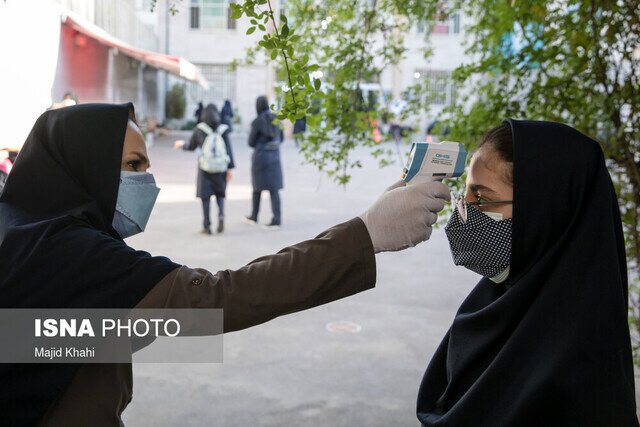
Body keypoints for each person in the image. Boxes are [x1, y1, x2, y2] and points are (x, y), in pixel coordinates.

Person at [0, 103, 449, 425]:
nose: (148, 181)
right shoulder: (72, 252)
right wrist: (365, 234)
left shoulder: (21, 232)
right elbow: (219, 299)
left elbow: (59, 337)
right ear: (86, 167)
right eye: (133, 165)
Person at [416, 121, 638, 425]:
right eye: (465, 195)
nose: (463, 213)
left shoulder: (585, 370)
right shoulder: (492, 302)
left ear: (545, 211)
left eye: (482, 198)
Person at [175, 103, 234, 234]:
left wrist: (181, 145)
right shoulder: (223, 129)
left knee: (205, 197)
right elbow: (229, 150)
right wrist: (230, 168)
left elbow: (191, 146)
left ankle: (207, 226)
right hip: (221, 168)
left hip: (205, 168)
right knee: (220, 194)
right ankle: (221, 215)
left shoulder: (199, 129)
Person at [244, 95, 284, 229]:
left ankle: (254, 216)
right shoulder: (277, 119)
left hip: (260, 157)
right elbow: (282, 139)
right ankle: (277, 219)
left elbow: (250, 142)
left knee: (257, 188)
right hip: (275, 157)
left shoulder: (257, 121)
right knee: (274, 189)